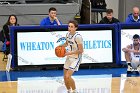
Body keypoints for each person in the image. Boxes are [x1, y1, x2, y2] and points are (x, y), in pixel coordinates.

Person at [60, 20, 83, 93]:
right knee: (65, 77)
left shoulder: (78, 37)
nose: (69, 28)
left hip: (76, 58)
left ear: (76, 28)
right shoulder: (67, 34)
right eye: (69, 26)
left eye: (72, 27)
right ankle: (69, 91)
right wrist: (59, 47)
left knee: (68, 76)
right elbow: (66, 44)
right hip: (69, 57)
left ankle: (75, 91)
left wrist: (68, 53)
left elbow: (81, 50)